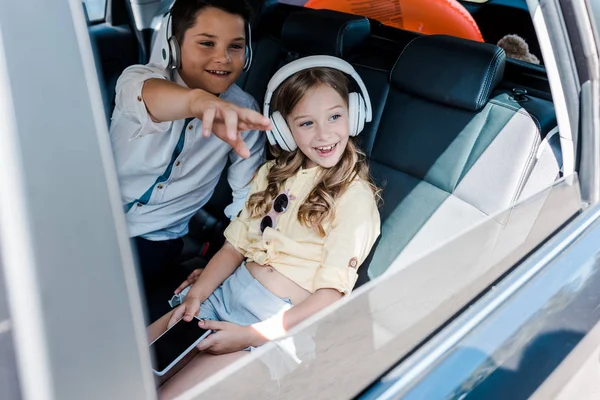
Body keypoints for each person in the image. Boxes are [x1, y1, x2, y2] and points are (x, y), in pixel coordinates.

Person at [148, 56, 381, 392]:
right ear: (285, 130)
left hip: (273, 329)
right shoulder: (272, 176)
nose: (324, 133)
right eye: (306, 124)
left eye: (334, 116)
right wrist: (197, 295)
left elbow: (331, 295)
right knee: (127, 368)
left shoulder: (353, 197)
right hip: (223, 296)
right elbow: (233, 248)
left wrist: (250, 335)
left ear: (354, 114)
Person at [109, 0, 269, 315]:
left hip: (154, 243)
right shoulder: (138, 80)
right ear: (174, 46)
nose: (222, 58)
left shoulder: (244, 114)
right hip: (91, 222)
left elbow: (246, 204)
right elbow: (150, 100)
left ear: (247, 56)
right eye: (207, 43)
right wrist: (198, 103)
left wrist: (223, 266)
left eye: (235, 47)